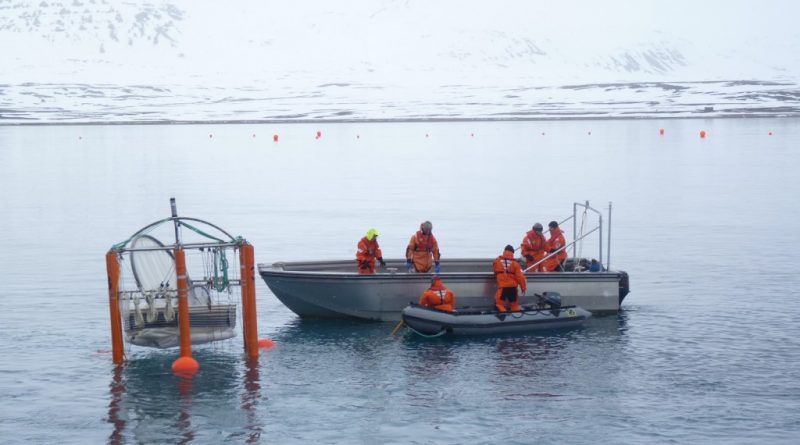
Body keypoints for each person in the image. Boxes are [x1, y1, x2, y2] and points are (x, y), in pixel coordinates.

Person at [493, 245, 527, 312]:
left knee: (499, 305)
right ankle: (516, 318)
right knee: (514, 306)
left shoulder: (497, 261)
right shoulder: (515, 263)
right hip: (513, 289)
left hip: (502, 288)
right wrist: (523, 288)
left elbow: (495, 270)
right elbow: (520, 277)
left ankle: (502, 319)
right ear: (512, 253)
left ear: (504, 251)